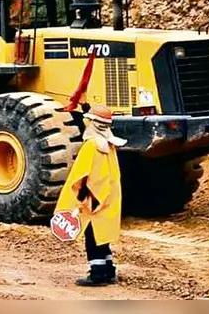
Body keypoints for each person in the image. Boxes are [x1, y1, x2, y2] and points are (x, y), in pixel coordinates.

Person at [54, 103, 126, 286]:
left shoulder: (91, 146)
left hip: (93, 199)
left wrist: (79, 195)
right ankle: (108, 270)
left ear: (92, 123)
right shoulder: (109, 144)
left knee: (92, 237)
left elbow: (80, 174)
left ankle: (98, 273)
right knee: (102, 235)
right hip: (107, 197)